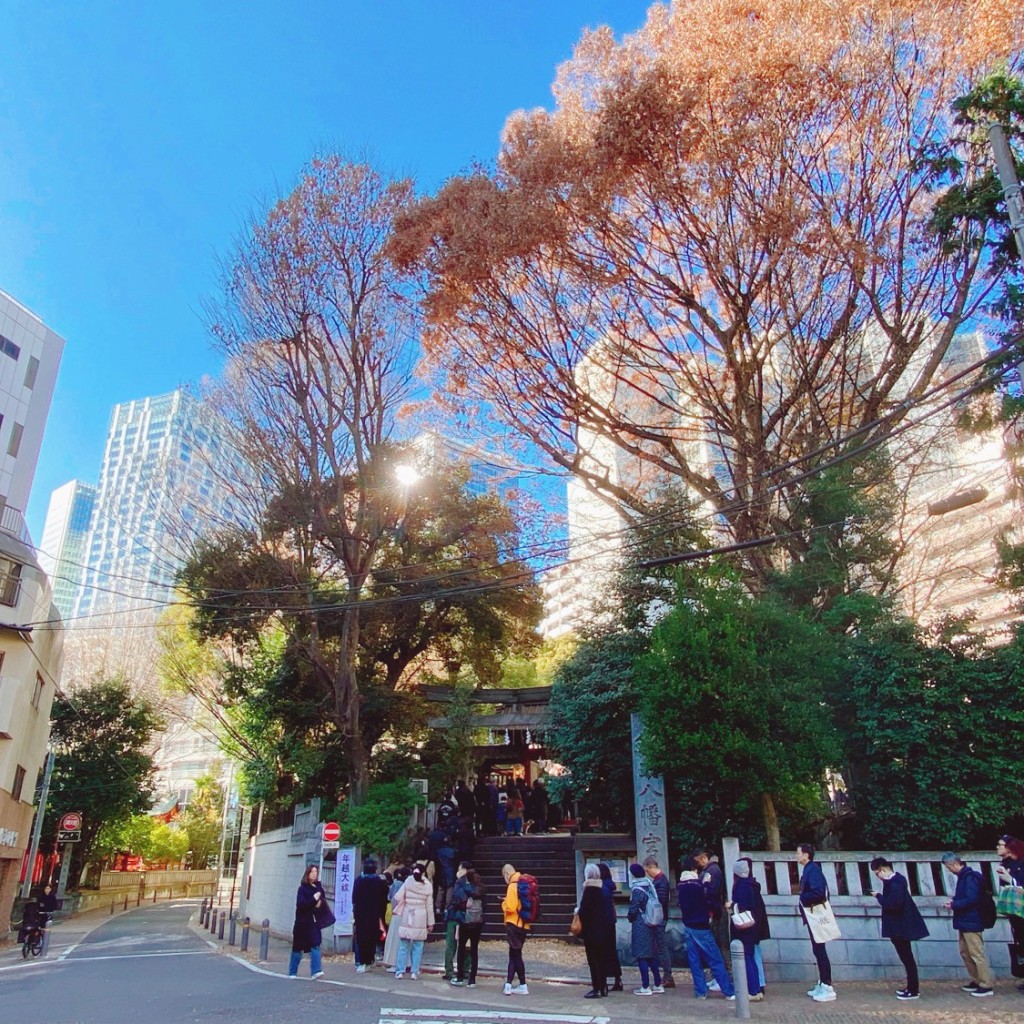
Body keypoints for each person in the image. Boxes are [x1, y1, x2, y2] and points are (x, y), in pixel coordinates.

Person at [870, 857, 928, 1000]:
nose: (878, 876)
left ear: (883, 869)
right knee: (907, 957)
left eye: (877, 873)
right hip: (900, 925)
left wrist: (879, 896)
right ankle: (911, 987)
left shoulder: (895, 883)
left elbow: (893, 904)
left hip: (900, 926)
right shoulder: (897, 881)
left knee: (907, 958)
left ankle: (913, 989)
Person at [677, 856, 735, 1000]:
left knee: (695, 961)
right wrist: (707, 884)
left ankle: (701, 992)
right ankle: (728, 991)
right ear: (694, 868)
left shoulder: (681, 885)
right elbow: (709, 900)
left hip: (688, 926)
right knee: (715, 959)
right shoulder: (698, 885)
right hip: (701, 927)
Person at [942, 851, 994, 997]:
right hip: (966, 919)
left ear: (956, 864)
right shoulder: (965, 877)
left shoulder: (969, 877)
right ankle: (977, 980)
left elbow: (972, 899)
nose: (949, 870)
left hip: (972, 919)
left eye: (949, 867)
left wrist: (954, 904)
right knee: (966, 952)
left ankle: (985, 984)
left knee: (975, 953)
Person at [797, 843, 836, 1002]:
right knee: (817, 949)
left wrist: (803, 898)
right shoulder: (810, 869)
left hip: (816, 914)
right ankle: (823, 982)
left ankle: (827, 985)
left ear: (806, 855)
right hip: (812, 914)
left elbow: (819, 892)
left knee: (820, 949)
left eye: (798, 853)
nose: (796, 856)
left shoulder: (813, 870)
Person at [727, 861, 764, 1001]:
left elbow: (742, 906)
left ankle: (751, 991)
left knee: (746, 957)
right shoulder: (753, 884)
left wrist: (731, 905)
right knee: (751, 957)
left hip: (744, 927)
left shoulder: (741, 886)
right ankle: (756, 989)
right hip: (753, 925)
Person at [693, 848, 730, 983]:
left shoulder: (712, 871)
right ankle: (719, 977)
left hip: (716, 912)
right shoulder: (712, 870)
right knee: (717, 945)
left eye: (698, 861)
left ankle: (723, 978)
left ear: (703, 858)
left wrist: (711, 910)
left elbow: (712, 893)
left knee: (719, 946)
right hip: (715, 911)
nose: (698, 864)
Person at [393, 863, 435, 980]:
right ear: (423, 873)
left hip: (407, 914)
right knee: (418, 945)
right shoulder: (427, 885)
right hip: (421, 916)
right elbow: (429, 906)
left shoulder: (408, 882)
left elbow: (397, 896)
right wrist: (430, 922)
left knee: (403, 945)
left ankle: (400, 971)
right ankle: (414, 971)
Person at [627, 863, 663, 995]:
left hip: (640, 925)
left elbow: (634, 908)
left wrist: (630, 917)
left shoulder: (637, 889)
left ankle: (645, 986)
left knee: (642, 957)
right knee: (651, 956)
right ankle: (658, 984)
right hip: (651, 923)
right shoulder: (648, 885)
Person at [288, 864, 327, 979]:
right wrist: (314, 899)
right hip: (302, 923)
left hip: (314, 922)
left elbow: (322, 900)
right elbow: (301, 905)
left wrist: (319, 902)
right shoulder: (302, 889)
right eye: (312, 872)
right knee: (297, 948)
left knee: (315, 944)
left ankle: (316, 971)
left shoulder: (318, 887)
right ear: (307, 874)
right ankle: (292, 971)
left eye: (316, 872)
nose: (314, 874)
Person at [996, 834, 1024, 987]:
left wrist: (1010, 879)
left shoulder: (1021, 863)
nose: (998, 848)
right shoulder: (1006, 863)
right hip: (1015, 912)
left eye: (1001, 845)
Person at [578, 864, 610, 998]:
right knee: (602, 959)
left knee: (593, 960)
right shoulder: (602, 888)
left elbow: (584, 911)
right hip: (603, 929)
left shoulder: (589, 889)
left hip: (591, 930)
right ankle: (604, 986)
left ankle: (596, 988)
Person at [352, 858, 389, 973]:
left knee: (361, 939)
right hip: (375, 914)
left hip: (361, 914)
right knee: (373, 937)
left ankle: (361, 962)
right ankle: (370, 960)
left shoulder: (359, 881)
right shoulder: (379, 882)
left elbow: (354, 898)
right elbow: (384, 899)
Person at [643, 856, 675, 988]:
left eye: (647, 870)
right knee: (660, 947)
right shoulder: (660, 880)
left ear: (651, 868)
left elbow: (661, 901)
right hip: (660, 917)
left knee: (661, 948)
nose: (647, 873)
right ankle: (667, 976)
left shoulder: (660, 881)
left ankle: (668, 976)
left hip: (659, 919)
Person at [452, 867, 486, 988]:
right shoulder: (482, 890)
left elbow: (456, 903)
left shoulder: (464, 889)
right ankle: (472, 979)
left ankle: (460, 976)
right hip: (478, 922)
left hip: (465, 921)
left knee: (461, 948)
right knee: (474, 950)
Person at [501, 862, 530, 995]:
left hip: (513, 924)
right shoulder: (525, 884)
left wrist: (503, 903)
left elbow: (511, 907)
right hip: (524, 924)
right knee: (515, 954)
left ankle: (520, 984)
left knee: (515, 955)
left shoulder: (512, 886)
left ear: (507, 874)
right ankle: (510, 983)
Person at [443, 861, 473, 980]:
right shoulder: (475, 882)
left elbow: (455, 900)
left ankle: (449, 971)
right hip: (469, 918)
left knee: (451, 944)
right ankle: (465, 970)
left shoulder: (459, 883)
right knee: (466, 945)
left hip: (455, 916)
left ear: (464, 870)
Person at [598, 863, 624, 991]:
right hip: (611, 922)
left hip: (603, 923)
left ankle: (604, 981)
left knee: (602, 953)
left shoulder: (602, 887)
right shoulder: (610, 885)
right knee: (612, 951)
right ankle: (617, 979)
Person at [383, 866, 409, 970]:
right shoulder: (409, 885)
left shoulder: (396, 884)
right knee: (405, 942)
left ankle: (393, 963)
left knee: (395, 941)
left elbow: (391, 899)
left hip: (397, 914)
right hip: (406, 915)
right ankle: (405, 963)